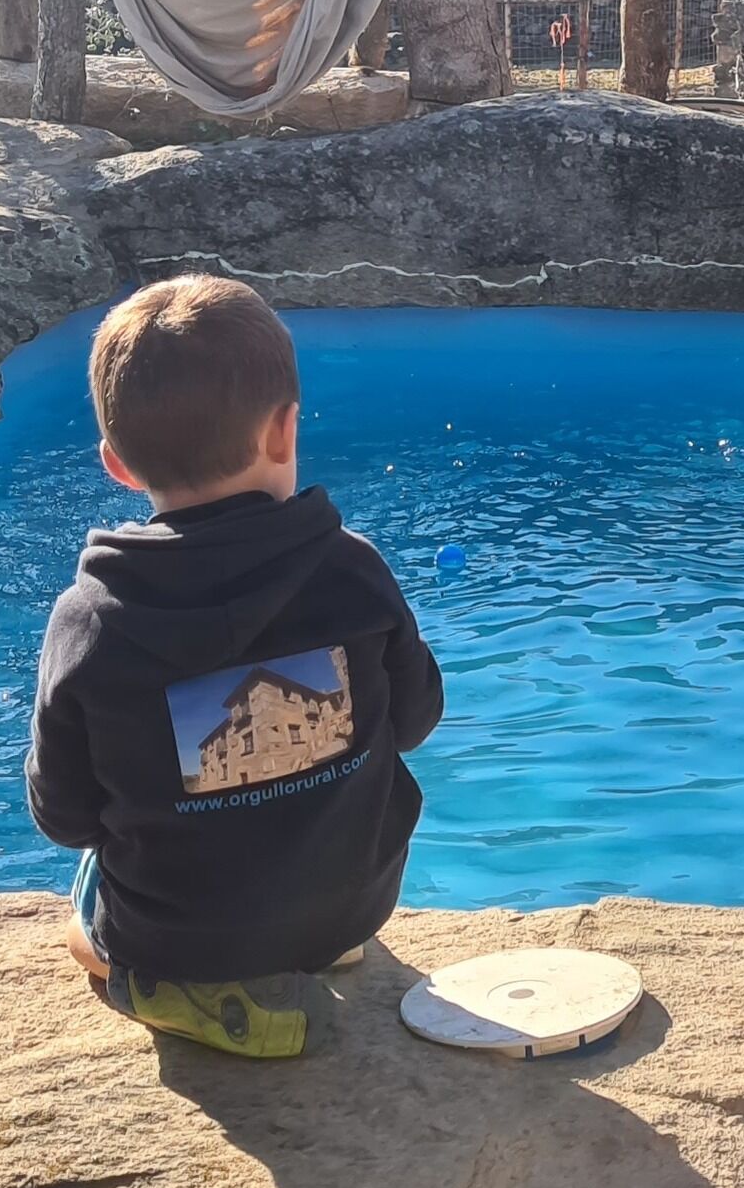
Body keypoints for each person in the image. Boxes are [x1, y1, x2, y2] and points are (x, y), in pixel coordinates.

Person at [27, 274, 442, 1058]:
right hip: (355, 905)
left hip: (185, 931)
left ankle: (179, 988)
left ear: (116, 463)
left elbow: (65, 816)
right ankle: (314, 946)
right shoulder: (354, 572)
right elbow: (417, 722)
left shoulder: (87, 621)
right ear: (285, 431)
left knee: (82, 907)